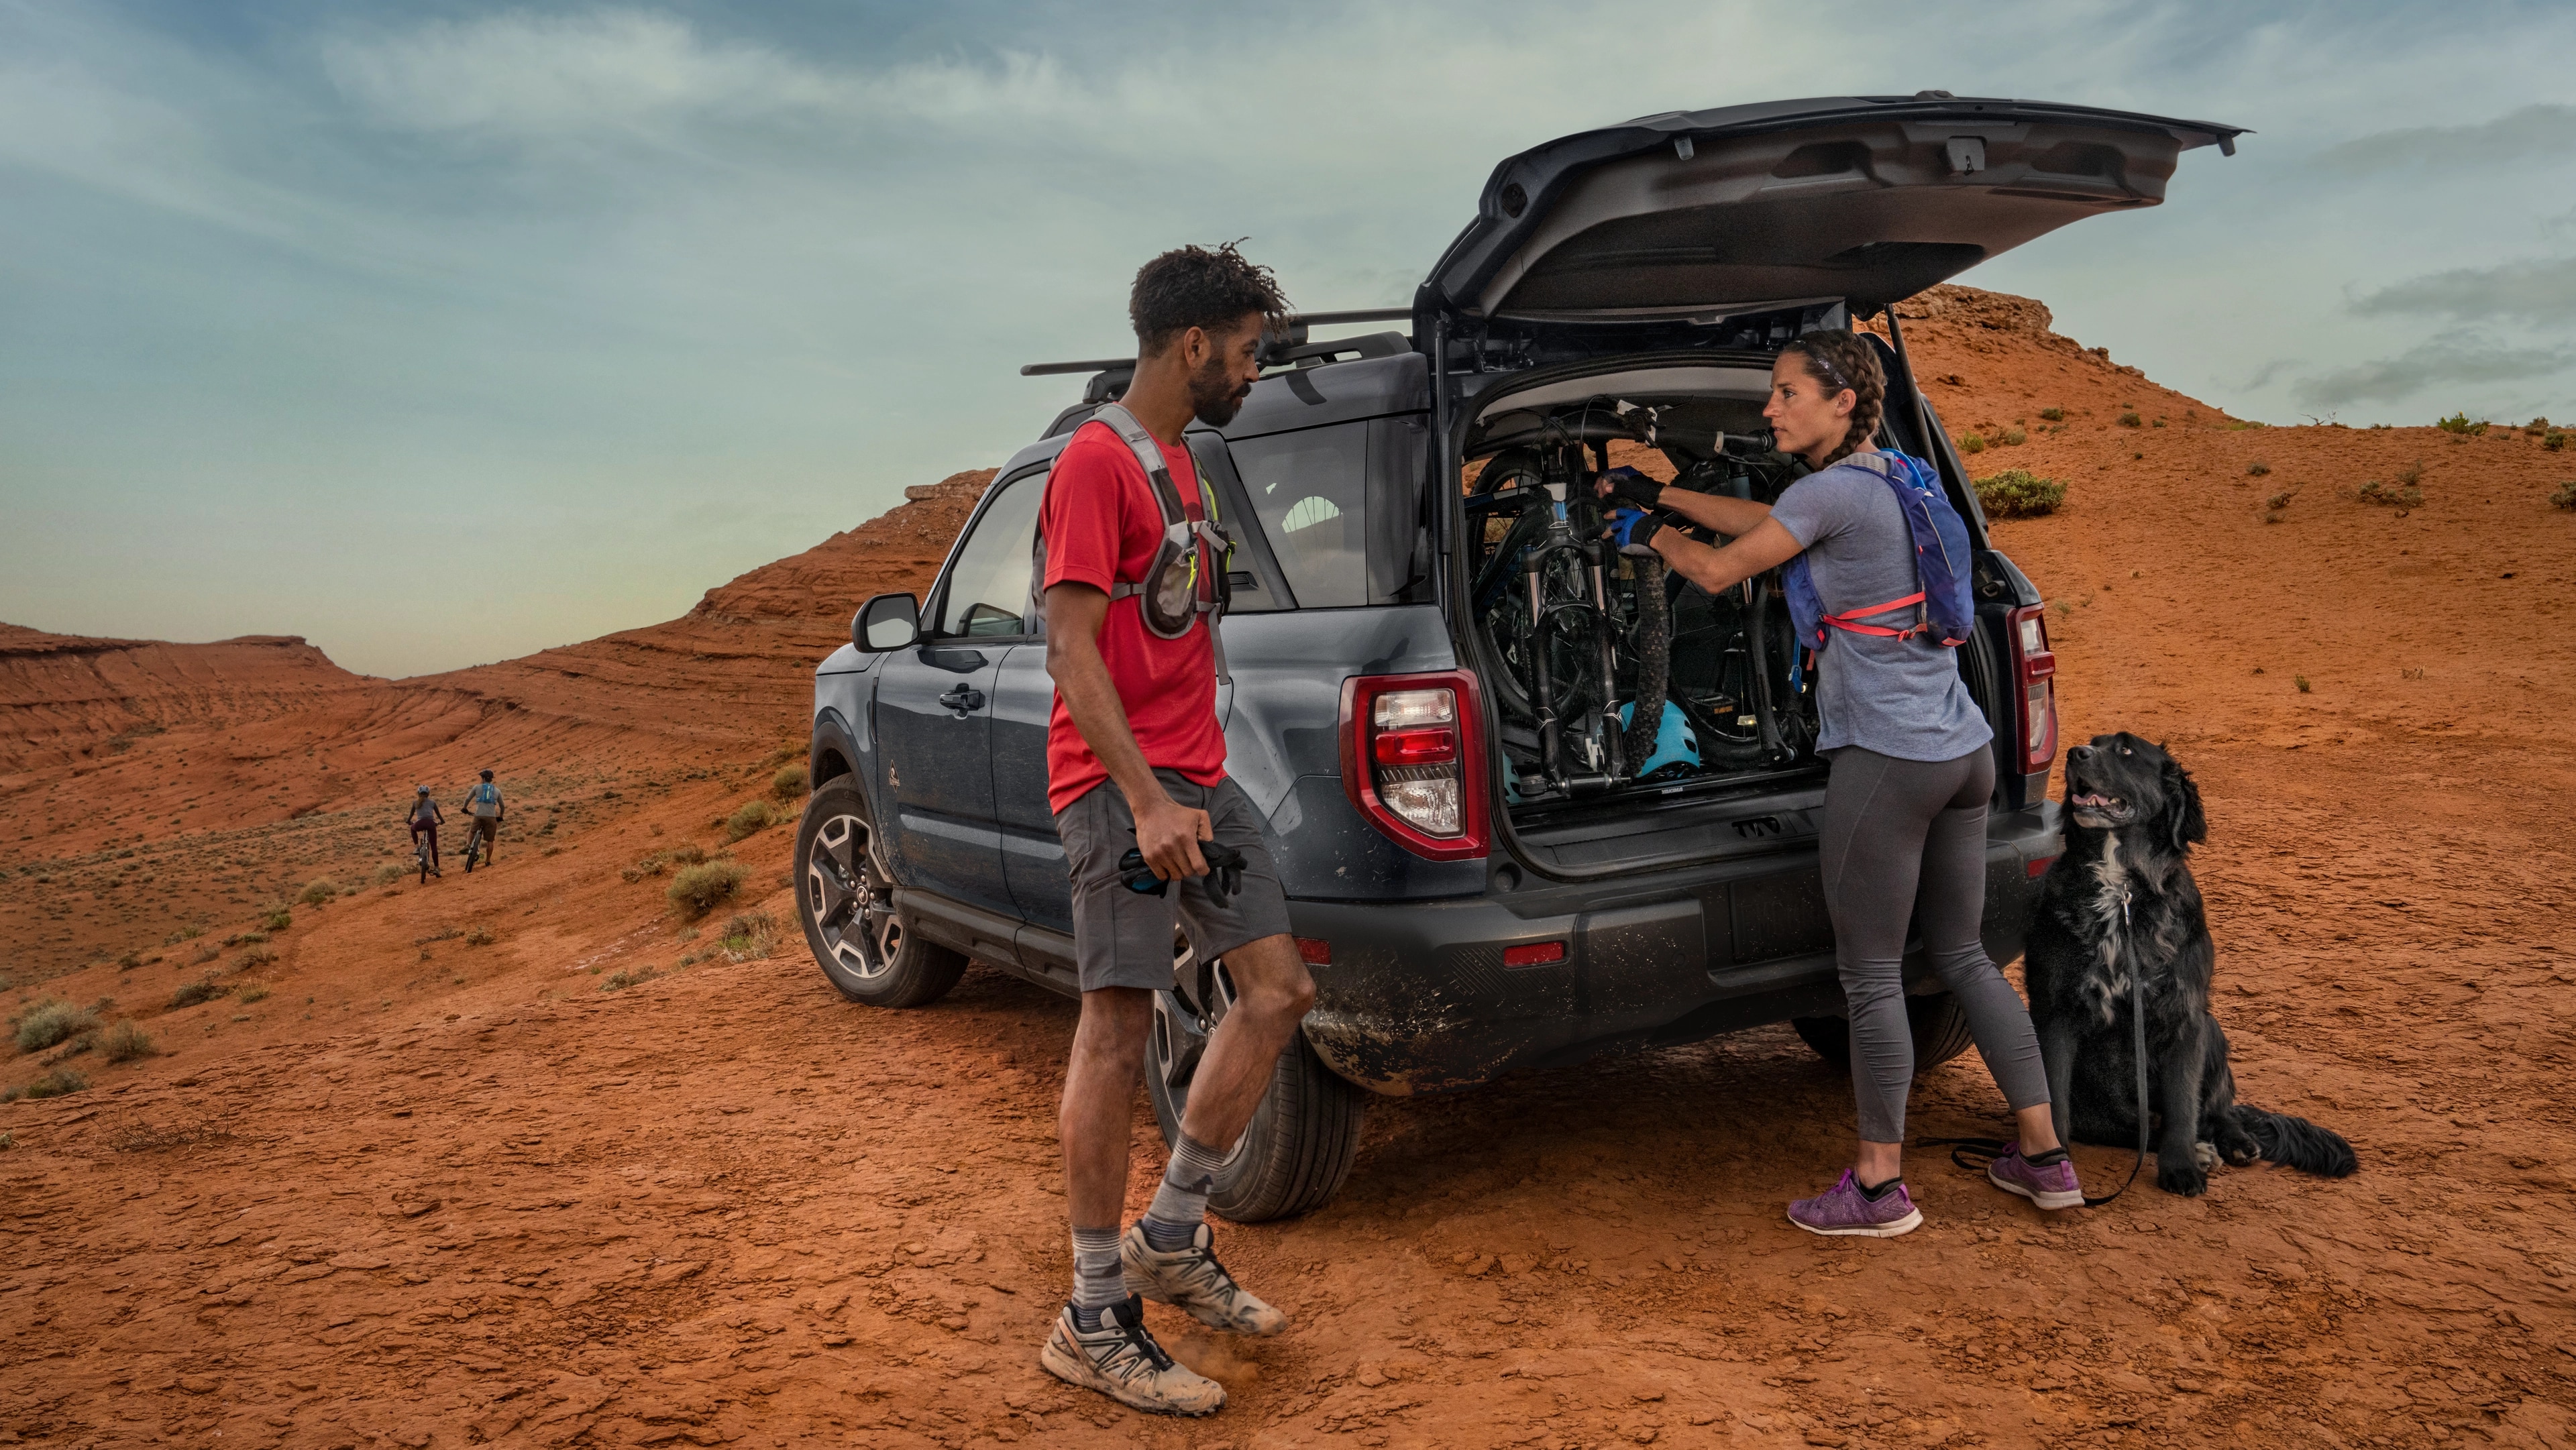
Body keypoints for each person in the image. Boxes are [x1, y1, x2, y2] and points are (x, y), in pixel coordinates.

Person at [1597, 329, 2078, 1237]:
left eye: (1785, 392)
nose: (1770, 407)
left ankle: (1878, 1185)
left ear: (1841, 401)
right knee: (1964, 954)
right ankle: (2045, 1160)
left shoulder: (1825, 494)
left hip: (1888, 759)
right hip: (1963, 748)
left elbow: (1718, 567)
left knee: (1868, 974)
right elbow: (1774, 523)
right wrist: (1660, 489)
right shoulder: (1896, 477)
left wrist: (1643, 529)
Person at [1036, 243, 1313, 1416]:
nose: (1254, 370)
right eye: (1248, 349)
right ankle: (1094, 1313)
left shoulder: (1181, 463)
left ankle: (1171, 1233)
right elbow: (1070, 648)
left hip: (1203, 778)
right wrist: (1145, 797)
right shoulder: (1094, 466)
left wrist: (1186, 781)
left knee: (1279, 990)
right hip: (1121, 790)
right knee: (1114, 1025)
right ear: (1194, 343)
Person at [462, 769, 504, 872]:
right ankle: (488, 861)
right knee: (490, 840)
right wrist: (501, 816)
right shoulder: (497, 791)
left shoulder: (477, 787)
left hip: (479, 815)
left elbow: (468, 799)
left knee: (472, 831)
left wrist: (465, 808)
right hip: (491, 817)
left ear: (484, 778)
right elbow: (502, 806)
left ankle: (468, 845)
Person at [407, 785, 443, 877]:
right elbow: (439, 815)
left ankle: (417, 847)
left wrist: (408, 821)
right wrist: (442, 821)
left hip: (420, 823)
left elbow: (411, 815)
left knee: (412, 828)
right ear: (428, 794)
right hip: (431, 824)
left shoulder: (415, 802)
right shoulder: (432, 802)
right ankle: (436, 868)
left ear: (418, 794)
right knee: (434, 847)